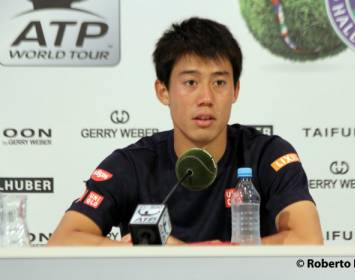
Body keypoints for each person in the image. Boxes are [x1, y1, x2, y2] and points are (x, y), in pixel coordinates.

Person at [48, 17, 323, 246]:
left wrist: (208, 255)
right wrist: (128, 250)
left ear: (235, 90)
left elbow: (308, 238)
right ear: (163, 91)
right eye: (191, 82)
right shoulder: (132, 164)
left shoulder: (267, 155)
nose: (206, 97)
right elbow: (62, 241)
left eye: (219, 82)